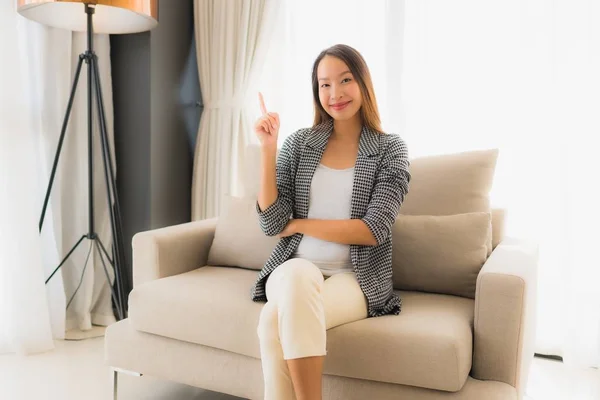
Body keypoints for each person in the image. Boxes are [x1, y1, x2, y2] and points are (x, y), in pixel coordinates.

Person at [252, 44, 411, 400]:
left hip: (355, 278)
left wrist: (301, 224)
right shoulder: (298, 144)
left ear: (363, 84)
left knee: (271, 323)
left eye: (345, 80)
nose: (334, 93)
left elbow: (373, 230)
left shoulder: (390, 149)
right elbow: (273, 223)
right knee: (298, 273)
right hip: (293, 270)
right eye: (324, 84)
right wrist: (268, 148)